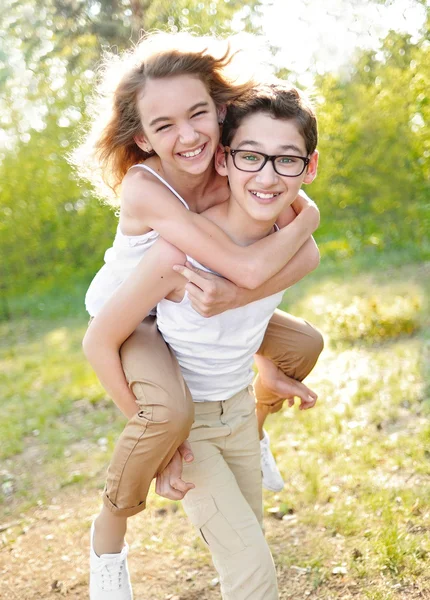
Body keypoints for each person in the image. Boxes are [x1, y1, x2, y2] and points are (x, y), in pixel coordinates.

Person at [74, 31, 322, 600]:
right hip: (134, 320)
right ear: (142, 137)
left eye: (197, 115)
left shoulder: (232, 167)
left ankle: (256, 419)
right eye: (164, 126)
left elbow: (298, 234)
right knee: (171, 412)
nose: (187, 136)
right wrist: (159, 441)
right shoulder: (146, 187)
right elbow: (245, 268)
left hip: (194, 303)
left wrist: (303, 222)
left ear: (221, 110)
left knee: (302, 346)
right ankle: (109, 545)